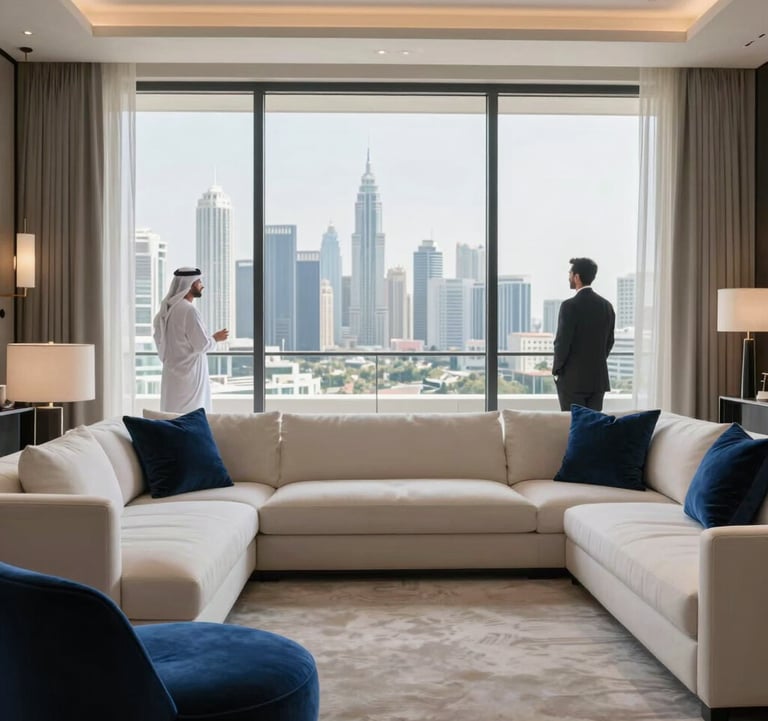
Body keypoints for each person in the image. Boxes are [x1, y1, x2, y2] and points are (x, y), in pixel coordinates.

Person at [153, 267, 229, 413]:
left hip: (172, 373)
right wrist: (216, 338)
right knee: (191, 416)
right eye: (199, 282)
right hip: (190, 376)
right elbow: (202, 345)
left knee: (173, 415)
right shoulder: (189, 310)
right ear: (191, 284)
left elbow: (159, 339)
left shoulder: (169, 309)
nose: (202, 285)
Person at [552, 257, 615, 412]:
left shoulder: (569, 306)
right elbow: (610, 341)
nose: (568, 277)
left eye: (570, 273)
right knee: (593, 427)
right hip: (597, 380)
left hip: (572, 381)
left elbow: (562, 343)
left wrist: (557, 371)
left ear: (577, 277)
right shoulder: (606, 306)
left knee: (574, 425)